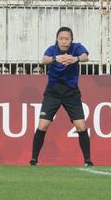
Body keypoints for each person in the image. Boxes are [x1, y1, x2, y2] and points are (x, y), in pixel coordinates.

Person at [29, 27, 93, 167]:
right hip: (53, 92)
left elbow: (86, 57)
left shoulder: (76, 48)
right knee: (43, 125)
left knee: (81, 126)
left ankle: (88, 160)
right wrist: (55, 59)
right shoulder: (52, 50)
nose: (64, 41)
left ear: (71, 40)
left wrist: (75, 59)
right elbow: (44, 60)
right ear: (57, 39)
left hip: (71, 93)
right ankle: (34, 160)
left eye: (67, 39)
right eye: (61, 38)